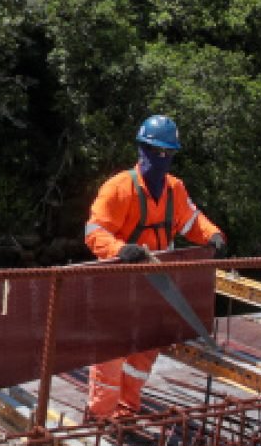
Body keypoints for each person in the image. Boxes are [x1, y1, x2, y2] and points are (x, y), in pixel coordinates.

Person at [83, 114, 225, 421]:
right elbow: (94, 232)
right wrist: (121, 250)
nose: (159, 158)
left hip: (156, 286)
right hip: (119, 284)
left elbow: (191, 221)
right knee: (111, 354)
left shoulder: (175, 189)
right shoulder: (118, 188)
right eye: (154, 151)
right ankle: (99, 417)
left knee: (144, 352)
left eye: (166, 153)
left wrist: (212, 235)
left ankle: (126, 409)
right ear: (141, 149)